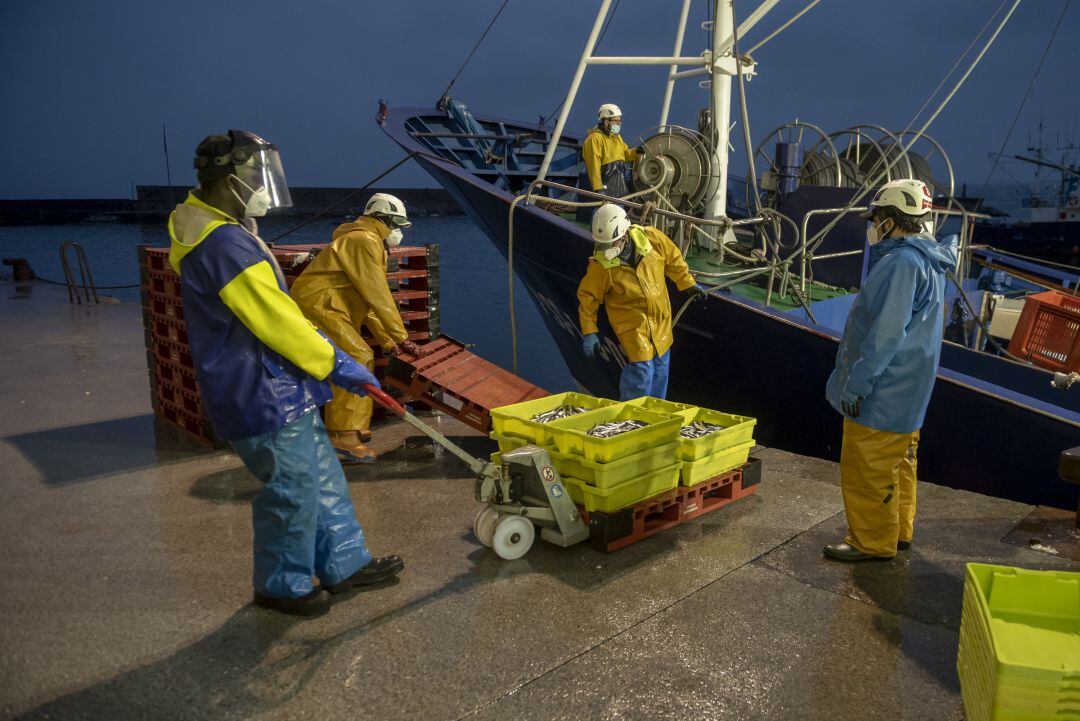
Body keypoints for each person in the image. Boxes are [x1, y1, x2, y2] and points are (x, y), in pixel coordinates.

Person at [167, 130, 403, 616]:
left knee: (323, 478)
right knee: (292, 491)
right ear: (227, 179)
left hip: (284, 388)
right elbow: (275, 320)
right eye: (255, 175)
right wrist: (337, 362)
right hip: (258, 391)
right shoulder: (224, 246)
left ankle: (345, 563)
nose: (261, 184)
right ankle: (280, 584)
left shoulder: (228, 232)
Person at [823, 178, 958, 562]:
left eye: (878, 217)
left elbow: (884, 335)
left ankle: (870, 541)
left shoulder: (900, 263)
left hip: (884, 392)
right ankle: (897, 530)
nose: (873, 224)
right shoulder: (930, 260)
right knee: (900, 464)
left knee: (868, 467)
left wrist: (856, 385)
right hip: (910, 392)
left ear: (893, 218)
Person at [291, 193, 425, 464]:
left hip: (329, 305)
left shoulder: (367, 240)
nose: (398, 232)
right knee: (356, 357)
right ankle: (341, 437)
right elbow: (377, 293)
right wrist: (402, 336)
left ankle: (355, 426)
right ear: (383, 220)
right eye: (396, 225)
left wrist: (390, 342)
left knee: (359, 356)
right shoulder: (363, 240)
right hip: (319, 305)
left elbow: (368, 301)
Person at [577, 203, 706, 400]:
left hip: (661, 320)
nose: (607, 248)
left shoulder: (651, 238)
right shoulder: (602, 267)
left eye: (611, 242)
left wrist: (687, 283)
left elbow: (673, 259)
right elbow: (588, 298)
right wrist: (589, 331)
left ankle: (654, 415)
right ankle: (631, 415)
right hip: (633, 326)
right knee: (642, 370)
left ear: (624, 235)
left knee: (661, 368)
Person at [576, 103, 644, 222]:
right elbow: (593, 167)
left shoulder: (617, 138)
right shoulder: (594, 139)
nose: (619, 124)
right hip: (605, 189)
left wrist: (636, 152)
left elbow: (624, 154)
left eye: (620, 121)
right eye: (616, 121)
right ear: (606, 122)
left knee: (618, 220)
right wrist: (598, 189)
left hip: (619, 190)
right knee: (601, 220)